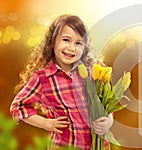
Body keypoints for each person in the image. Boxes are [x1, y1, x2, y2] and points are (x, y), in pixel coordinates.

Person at [10, 14, 113, 149]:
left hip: (97, 146)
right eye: (66, 40)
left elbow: (107, 105)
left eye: (78, 43)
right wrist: (46, 123)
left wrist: (109, 121)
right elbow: (18, 107)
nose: (72, 48)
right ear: (52, 42)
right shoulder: (43, 79)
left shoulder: (92, 73)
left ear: (85, 47)